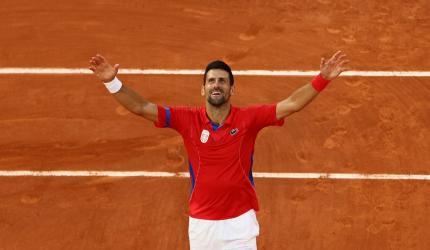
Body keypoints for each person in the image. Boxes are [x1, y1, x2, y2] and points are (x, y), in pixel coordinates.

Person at [89, 51, 349, 250]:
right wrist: (112, 82)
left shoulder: (249, 119)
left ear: (231, 89)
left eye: (222, 81)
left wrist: (322, 78)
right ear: (203, 88)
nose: (217, 85)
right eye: (211, 81)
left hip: (240, 224)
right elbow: (142, 107)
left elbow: (291, 104)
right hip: (202, 226)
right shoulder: (186, 119)